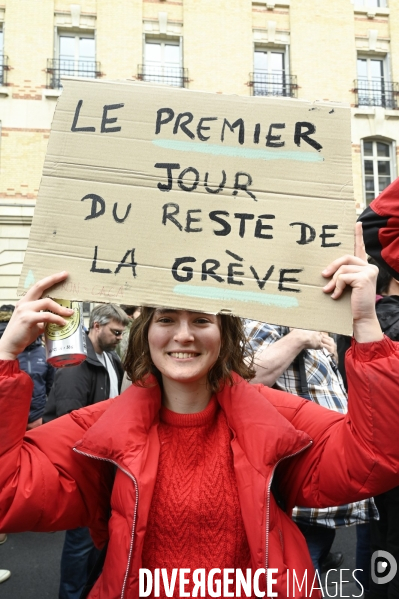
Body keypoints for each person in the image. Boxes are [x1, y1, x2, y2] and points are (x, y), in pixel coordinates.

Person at [0, 226, 398, 599]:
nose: (184, 334)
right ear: (146, 334)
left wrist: (365, 325)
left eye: (202, 320)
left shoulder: (276, 419)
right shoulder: (100, 431)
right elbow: (9, 492)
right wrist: (5, 356)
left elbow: (375, 456)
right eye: (167, 318)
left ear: (224, 336)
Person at [243, 321, 377, 575]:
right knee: (299, 574)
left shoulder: (301, 323)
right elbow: (246, 376)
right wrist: (299, 338)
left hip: (318, 490)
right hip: (299, 491)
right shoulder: (269, 316)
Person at [43, 303, 129, 599]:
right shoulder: (77, 363)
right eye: (115, 332)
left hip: (102, 464)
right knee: (80, 543)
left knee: (94, 541)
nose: (120, 337)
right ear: (96, 325)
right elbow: (70, 421)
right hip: (83, 465)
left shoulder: (111, 359)